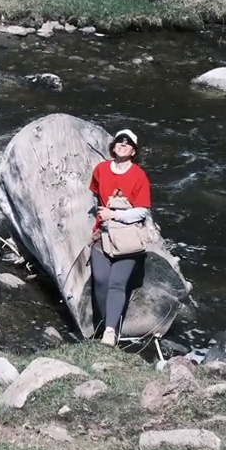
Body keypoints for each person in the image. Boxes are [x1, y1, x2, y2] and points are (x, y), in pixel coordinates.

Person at [88, 128, 151, 346]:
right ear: (113, 147)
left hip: (128, 238)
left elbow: (142, 210)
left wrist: (114, 214)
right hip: (102, 235)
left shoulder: (139, 176)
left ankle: (109, 332)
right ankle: (105, 325)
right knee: (100, 280)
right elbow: (96, 194)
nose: (123, 144)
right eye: (119, 141)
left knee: (116, 282)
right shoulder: (101, 169)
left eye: (128, 143)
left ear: (133, 151)